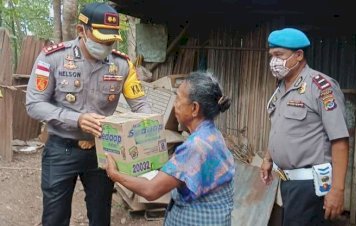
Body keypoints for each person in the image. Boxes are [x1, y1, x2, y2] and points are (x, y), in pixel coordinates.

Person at [25, 2, 151, 226]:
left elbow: (141, 107)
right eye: (101, 39)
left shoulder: (123, 65)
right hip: (61, 149)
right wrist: (77, 119)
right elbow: (34, 104)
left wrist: (145, 138)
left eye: (111, 40)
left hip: (103, 151)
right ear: (81, 31)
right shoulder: (52, 58)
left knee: (101, 215)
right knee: (55, 217)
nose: (107, 45)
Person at [104, 71, 235, 226]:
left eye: (178, 99)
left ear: (194, 108)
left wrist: (115, 175)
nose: (175, 105)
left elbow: (151, 191)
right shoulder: (213, 134)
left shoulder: (195, 146)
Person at [260, 28, 349, 226]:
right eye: (272, 56)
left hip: (310, 185)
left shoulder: (321, 86)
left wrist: (337, 190)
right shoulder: (282, 88)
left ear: (298, 55)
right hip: (287, 182)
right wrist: (268, 158)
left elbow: (340, 140)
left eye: (279, 55)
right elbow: (281, 129)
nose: (274, 61)